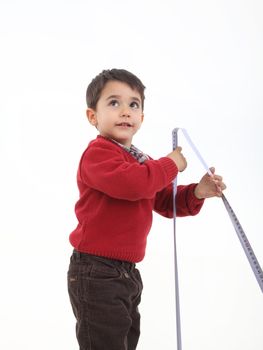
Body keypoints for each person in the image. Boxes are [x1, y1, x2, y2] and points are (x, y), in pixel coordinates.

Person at [67, 68, 226, 350]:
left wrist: (198, 191)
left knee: (125, 339)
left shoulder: (141, 160)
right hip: (96, 270)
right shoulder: (98, 154)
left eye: (134, 104)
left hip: (126, 272)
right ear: (93, 116)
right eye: (114, 103)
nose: (125, 111)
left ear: (142, 117)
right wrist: (170, 164)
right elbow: (134, 185)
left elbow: (164, 199)